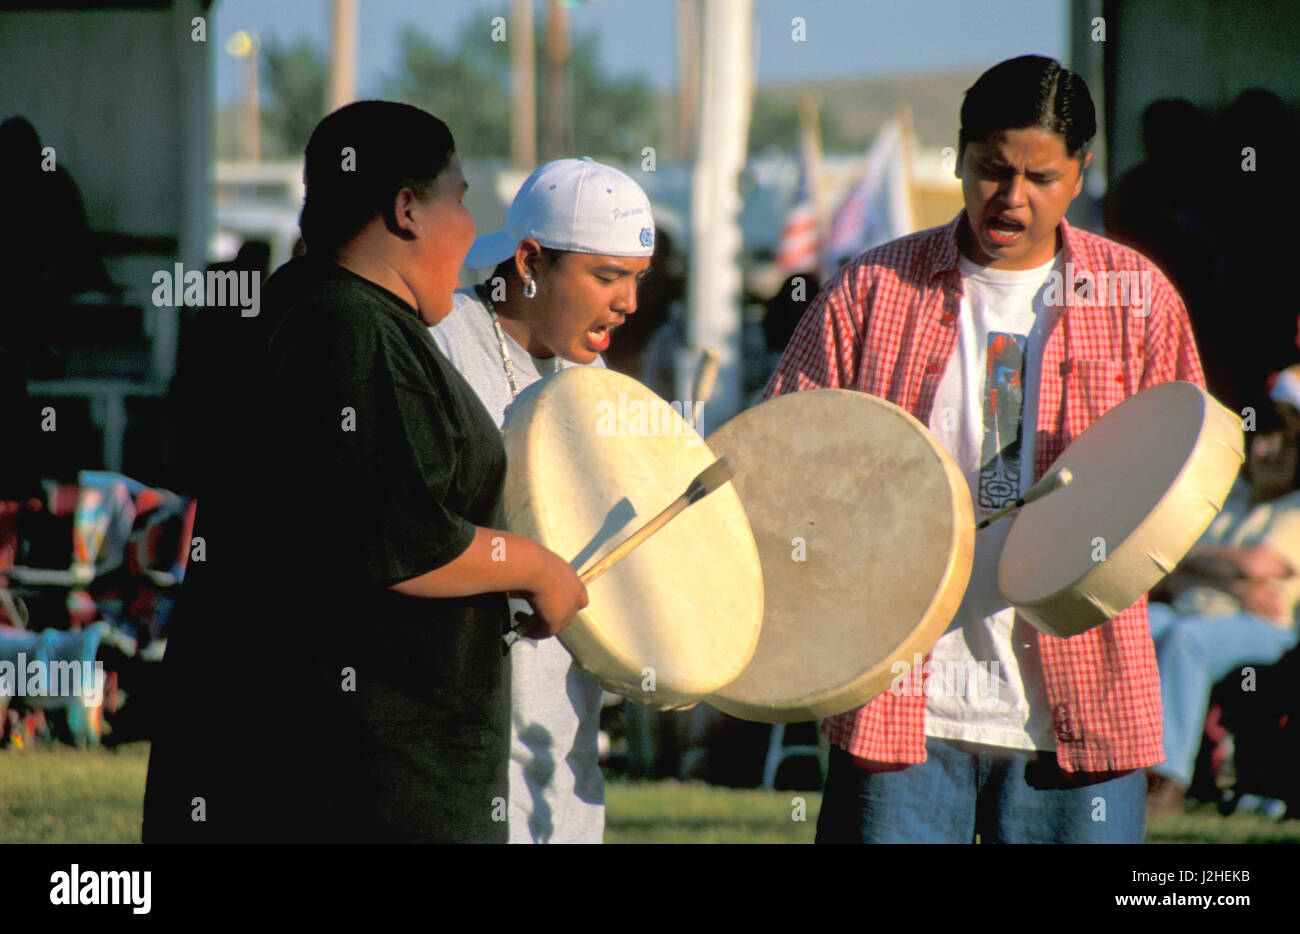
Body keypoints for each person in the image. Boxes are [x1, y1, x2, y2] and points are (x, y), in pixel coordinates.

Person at [764, 55, 1204, 843]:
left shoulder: (1140, 299)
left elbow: (1185, 481)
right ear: (960, 157)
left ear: (1080, 174)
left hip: (1081, 711)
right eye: (991, 170)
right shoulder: (872, 289)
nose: (1010, 198)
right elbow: (780, 461)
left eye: (1040, 177)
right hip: (898, 709)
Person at [142, 101, 587, 843]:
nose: (473, 228)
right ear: (407, 209)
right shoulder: (352, 328)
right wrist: (536, 566)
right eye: (462, 197)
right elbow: (401, 540)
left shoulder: (320, 309)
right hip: (342, 784)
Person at [430, 157, 654, 843]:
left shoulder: (592, 374)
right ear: (531, 260)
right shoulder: (440, 348)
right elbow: (408, 536)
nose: (629, 304)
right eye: (608, 277)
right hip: (455, 757)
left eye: (636, 280)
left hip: (561, 754)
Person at [1146, 374, 1300, 817]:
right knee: (1138, 626)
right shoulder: (1230, 495)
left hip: (1264, 629)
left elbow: (1257, 564)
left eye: (1280, 442)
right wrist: (1233, 580)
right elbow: (1167, 557)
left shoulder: (1294, 506)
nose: (1265, 451)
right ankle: (1104, 763)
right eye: (1261, 439)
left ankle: (1166, 779)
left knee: (1187, 640)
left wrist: (1197, 561)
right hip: (1189, 610)